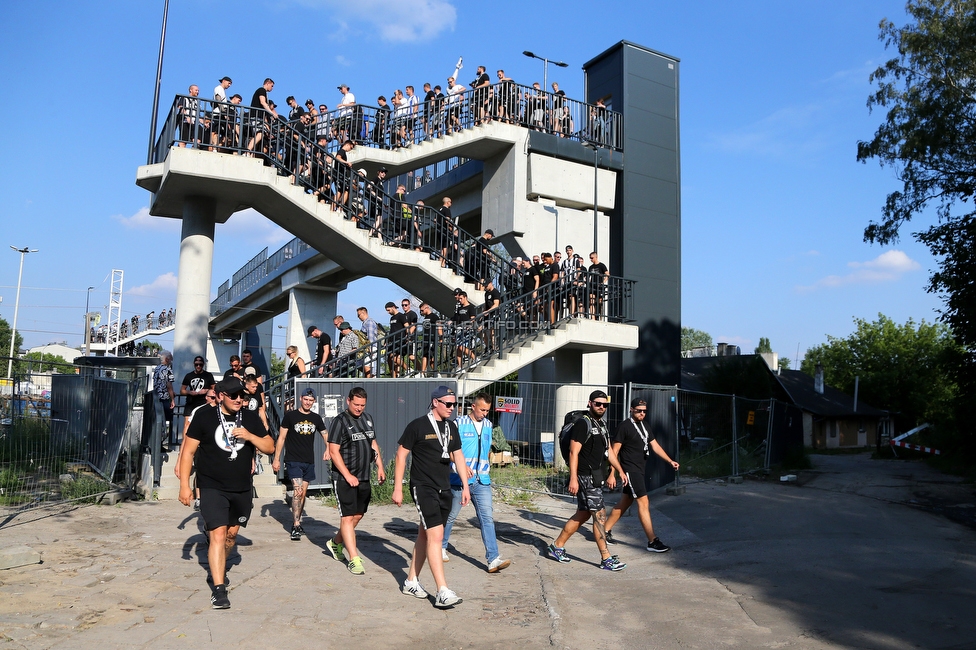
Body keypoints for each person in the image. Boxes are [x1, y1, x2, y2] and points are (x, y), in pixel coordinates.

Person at [179, 377, 274, 609]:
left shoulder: (250, 418)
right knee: (219, 534)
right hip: (211, 484)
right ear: (221, 396)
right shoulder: (204, 416)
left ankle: (217, 566)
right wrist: (184, 484)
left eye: (242, 395)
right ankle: (219, 590)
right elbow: (188, 451)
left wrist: (250, 437)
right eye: (234, 396)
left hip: (241, 487)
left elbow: (270, 446)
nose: (239, 399)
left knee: (231, 535)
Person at [392, 386, 470, 608]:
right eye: (448, 404)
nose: (452, 408)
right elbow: (401, 455)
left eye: (454, 404)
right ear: (435, 402)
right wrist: (398, 487)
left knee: (425, 536)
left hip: (444, 488)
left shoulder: (451, 427)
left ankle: (410, 581)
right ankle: (442, 590)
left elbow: (457, 455)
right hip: (423, 487)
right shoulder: (417, 425)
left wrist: (465, 486)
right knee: (436, 537)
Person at [547, 390, 628, 572]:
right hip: (585, 476)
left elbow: (609, 451)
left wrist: (619, 471)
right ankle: (606, 558)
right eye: (598, 404)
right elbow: (573, 452)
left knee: (583, 514)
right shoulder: (583, 424)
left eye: (604, 405)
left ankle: (557, 546)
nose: (601, 407)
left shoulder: (602, 424)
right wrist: (573, 478)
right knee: (599, 515)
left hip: (595, 475)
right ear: (589, 403)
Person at [442, 393, 510, 573]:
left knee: (487, 518)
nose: (485, 414)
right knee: (450, 516)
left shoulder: (488, 426)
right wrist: (461, 464)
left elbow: (486, 450)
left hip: (482, 481)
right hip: (460, 480)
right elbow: (449, 450)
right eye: (482, 410)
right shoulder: (458, 424)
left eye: (487, 410)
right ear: (473, 407)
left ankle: (493, 558)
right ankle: (440, 547)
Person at [603, 399, 678, 553]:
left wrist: (670, 461)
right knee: (644, 502)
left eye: (644, 411)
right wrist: (612, 473)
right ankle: (652, 541)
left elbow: (655, 445)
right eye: (639, 410)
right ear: (631, 409)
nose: (642, 413)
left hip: (639, 469)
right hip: (630, 470)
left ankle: (603, 531)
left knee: (625, 502)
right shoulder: (624, 426)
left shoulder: (645, 425)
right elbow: (614, 452)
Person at [325, 387, 386, 574]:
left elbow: (373, 443)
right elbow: (334, 452)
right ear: (348, 401)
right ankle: (354, 558)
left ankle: (335, 543)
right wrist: (347, 475)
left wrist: (380, 467)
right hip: (344, 478)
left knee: (358, 515)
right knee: (347, 517)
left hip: (364, 477)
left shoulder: (367, 419)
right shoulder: (339, 421)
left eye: (362, 405)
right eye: (356, 404)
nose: (359, 408)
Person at [273, 388, 329, 541]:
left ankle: (297, 522)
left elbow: (325, 434)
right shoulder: (290, 416)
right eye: (306, 399)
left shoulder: (316, 418)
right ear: (300, 398)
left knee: (303, 493)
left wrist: (328, 449)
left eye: (311, 400)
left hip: (308, 461)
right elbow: (281, 438)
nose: (308, 403)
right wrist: (277, 458)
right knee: (297, 491)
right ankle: (296, 524)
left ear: (314, 402)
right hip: (293, 460)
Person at [174, 387, 217, 511]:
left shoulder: (226, 412)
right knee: (201, 472)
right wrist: (179, 461)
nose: (215, 400)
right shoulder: (199, 412)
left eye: (216, 397)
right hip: (200, 448)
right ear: (206, 398)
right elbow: (187, 437)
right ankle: (199, 498)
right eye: (212, 397)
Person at [181, 355, 215, 437]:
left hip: (203, 402)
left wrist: (206, 391)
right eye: (196, 364)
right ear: (194, 364)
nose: (198, 366)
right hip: (191, 402)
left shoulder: (208, 375)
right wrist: (189, 392)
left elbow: (214, 389)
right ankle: (184, 445)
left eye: (200, 364)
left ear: (203, 364)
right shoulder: (189, 376)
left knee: (204, 424)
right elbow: (182, 390)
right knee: (187, 424)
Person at [452, 291, 477, 369]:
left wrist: (469, 325)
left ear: (465, 297)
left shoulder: (470, 307)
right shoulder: (459, 308)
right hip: (459, 329)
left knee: (461, 347)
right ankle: (460, 366)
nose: (460, 300)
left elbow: (473, 318)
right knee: (458, 348)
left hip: (467, 329)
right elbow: (457, 318)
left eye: (461, 298)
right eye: (459, 299)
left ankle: (475, 358)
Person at [419, 302, 442, 376]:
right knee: (430, 358)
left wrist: (441, 338)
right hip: (426, 339)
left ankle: (422, 373)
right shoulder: (425, 318)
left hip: (432, 339)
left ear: (427, 308)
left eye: (422, 310)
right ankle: (436, 373)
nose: (421, 312)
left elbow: (439, 326)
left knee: (426, 355)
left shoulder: (434, 316)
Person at [357, 307, 380, 378]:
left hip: (371, 347)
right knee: (360, 364)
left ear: (363, 313)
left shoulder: (369, 322)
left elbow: (371, 335)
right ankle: (372, 377)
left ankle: (369, 381)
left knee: (367, 367)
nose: (358, 317)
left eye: (359, 315)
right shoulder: (366, 322)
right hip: (368, 348)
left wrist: (370, 347)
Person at [588, 251, 609, 319]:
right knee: (591, 300)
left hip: (599, 285)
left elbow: (607, 274)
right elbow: (588, 277)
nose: (591, 259)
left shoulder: (601, 265)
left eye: (592, 258)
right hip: (592, 285)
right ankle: (593, 317)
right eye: (590, 258)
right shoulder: (590, 267)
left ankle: (600, 317)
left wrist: (603, 282)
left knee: (600, 302)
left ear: (596, 257)